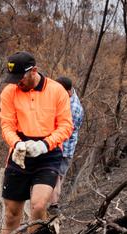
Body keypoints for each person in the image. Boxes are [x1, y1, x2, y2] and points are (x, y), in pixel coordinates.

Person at [0, 51, 73, 234]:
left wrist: (45, 144)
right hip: (19, 153)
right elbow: (6, 125)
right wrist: (17, 144)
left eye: (21, 78)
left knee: (39, 205)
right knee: (12, 213)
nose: (17, 83)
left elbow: (66, 126)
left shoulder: (57, 91)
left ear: (34, 71)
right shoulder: (9, 92)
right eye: (14, 79)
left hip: (48, 153)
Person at [49, 76, 85, 217]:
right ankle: (52, 206)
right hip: (59, 147)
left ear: (68, 91)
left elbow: (66, 132)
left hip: (63, 149)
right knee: (56, 178)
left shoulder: (73, 107)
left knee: (55, 178)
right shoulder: (65, 100)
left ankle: (53, 207)